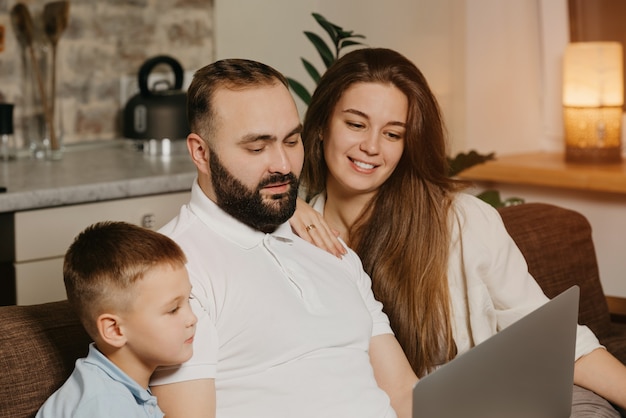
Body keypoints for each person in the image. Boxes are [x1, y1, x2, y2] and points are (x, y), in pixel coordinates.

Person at [291, 47, 626, 417]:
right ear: (321, 126)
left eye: (392, 133)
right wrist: (290, 203)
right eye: (355, 124)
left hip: (501, 402)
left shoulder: (461, 220)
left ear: (408, 144)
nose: (371, 146)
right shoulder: (290, 239)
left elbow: (556, 342)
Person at [149, 58, 418, 418]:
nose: (283, 165)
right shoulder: (175, 270)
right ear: (201, 152)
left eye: (292, 141)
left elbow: (404, 393)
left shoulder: (326, 244)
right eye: (257, 148)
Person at [36, 221, 197, 418]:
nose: (192, 318)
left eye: (188, 299)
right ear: (115, 330)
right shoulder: (105, 405)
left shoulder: (122, 388)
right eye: (173, 309)